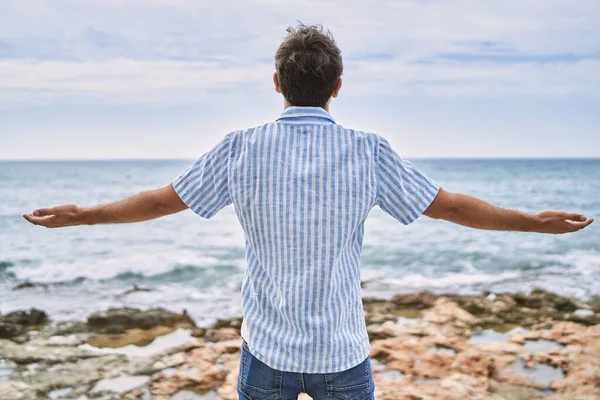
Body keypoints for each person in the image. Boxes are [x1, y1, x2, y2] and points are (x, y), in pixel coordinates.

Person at [23, 24, 594, 400]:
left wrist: (84, 215)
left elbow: (158, 201)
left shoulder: (239, 147)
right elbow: (449, 207)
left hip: (266, 349)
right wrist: (532, 222)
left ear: (277, 83)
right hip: (341, 353)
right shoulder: (368, 151)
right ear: (337, 87)